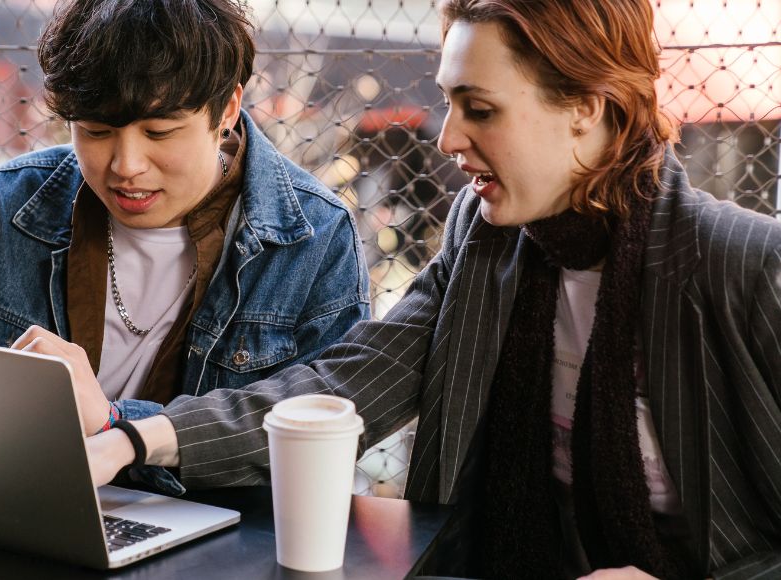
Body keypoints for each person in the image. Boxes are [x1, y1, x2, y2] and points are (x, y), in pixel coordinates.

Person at [67, 0, 781, 577]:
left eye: (480, 108)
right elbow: (344, 387)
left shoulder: (746, 269)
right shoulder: (487, 235)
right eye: (449, 103)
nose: (446, 139)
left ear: (586, 105)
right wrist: (133, 439)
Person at [0, 0, 369, 494]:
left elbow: (323, 441)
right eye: (96, 131)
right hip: (16, 508)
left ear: (226, 110)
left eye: (159, 132)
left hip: (225, 541)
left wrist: (116, 423)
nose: (126, 165)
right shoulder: (6, 205)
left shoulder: (315, 237)